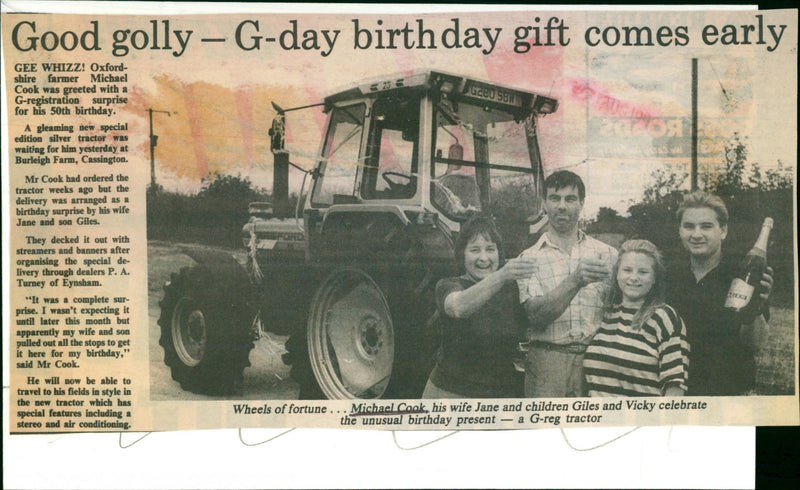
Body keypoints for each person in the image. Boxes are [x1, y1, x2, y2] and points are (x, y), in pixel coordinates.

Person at [518, 170, 618, 397]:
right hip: (546, 364)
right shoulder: (527, 258)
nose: (562, 206)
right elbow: (535, 315)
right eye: (555, 198)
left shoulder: (608, 254)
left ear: (582, 203)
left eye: (570, 199)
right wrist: (576, 280)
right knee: (546, 431)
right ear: (544, 204)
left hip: (597, 361)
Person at [666, 191, 773, 396]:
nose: (696, 234)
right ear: (680, 230)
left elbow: (755, 345)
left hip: (728, 395)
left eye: (706, 226)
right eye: (689, 226)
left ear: (723, 230)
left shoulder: (743, 274)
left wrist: (755, 309)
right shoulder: (669, 274)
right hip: (675, 394)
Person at [423, 215, 537, 398]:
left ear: (499, 253)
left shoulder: (511, 289)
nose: (484, 258)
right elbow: (458, 307)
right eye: (475, 250)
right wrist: (501, 275)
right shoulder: (447, 285)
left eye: (490, 249)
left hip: (501, 395)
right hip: (451, 395)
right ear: (462, 254)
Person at [584, 240, 689, 397]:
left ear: (654, 278)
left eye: (643, 272)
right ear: (617, 273)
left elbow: (675, 387)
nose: (633, 278)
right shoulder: (605, 314)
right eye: (627, 270)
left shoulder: (664, 318)